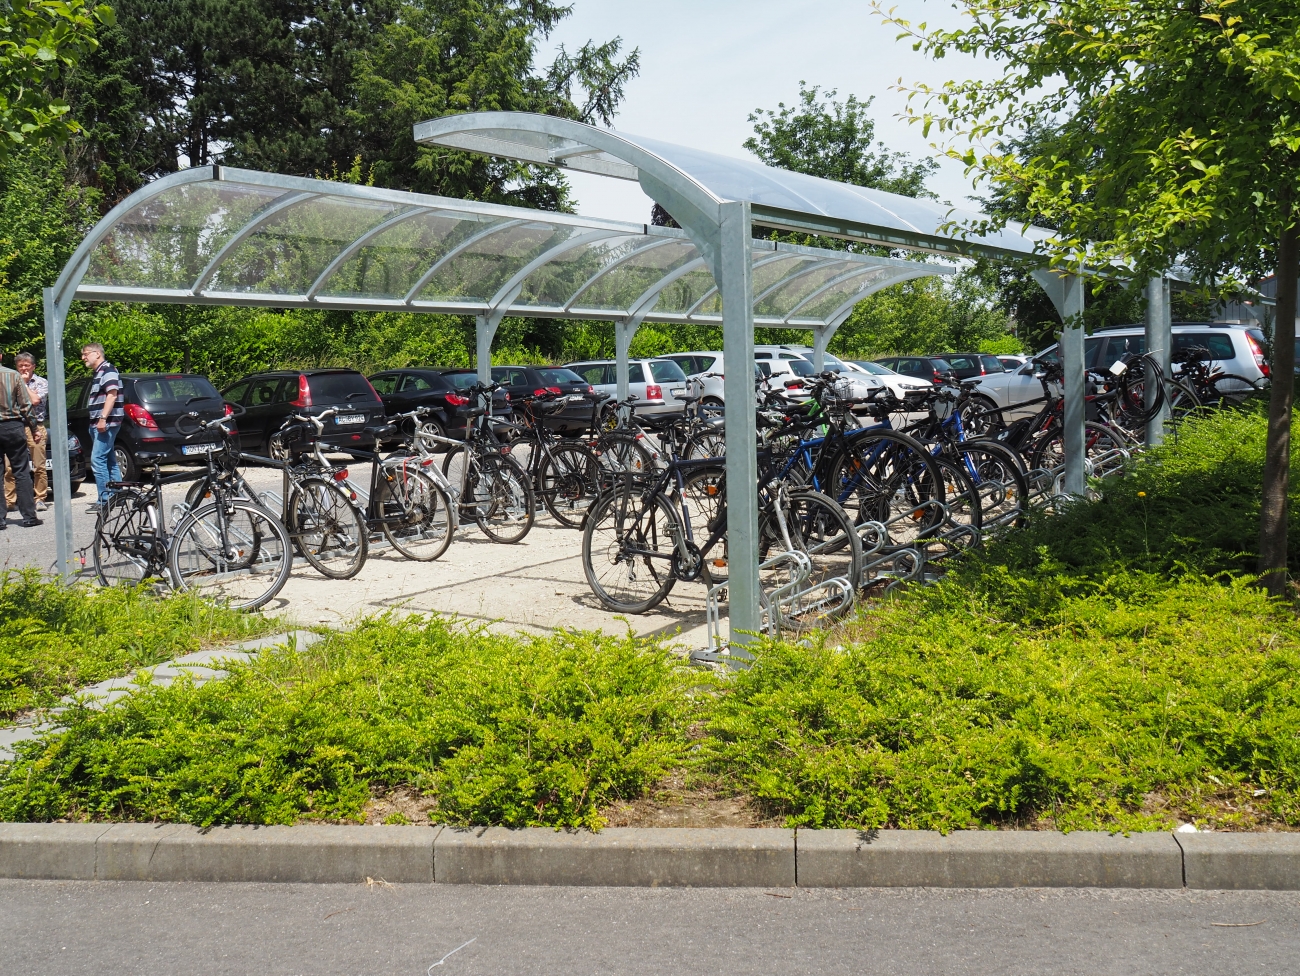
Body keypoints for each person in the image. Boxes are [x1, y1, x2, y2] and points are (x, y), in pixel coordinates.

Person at [4, 352, 49, 512]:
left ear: (33, 367)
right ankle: (10, 500)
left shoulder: (41, 382)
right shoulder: (10, 381)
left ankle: (40, 498)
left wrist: (22, 385)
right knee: (10, 467)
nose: (23, 368)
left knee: (39, 466)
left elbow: (35, 400)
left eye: (26, 365)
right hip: (16, 427)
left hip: (36, 427)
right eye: (20, 366)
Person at [0, 359, 42, 528]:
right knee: (21, 471)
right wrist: (34, 427)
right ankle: (29, 517)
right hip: (13, 426)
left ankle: (0, 519)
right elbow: (25, 405)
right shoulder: (13, 374)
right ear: (1, 356)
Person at [81, 342, 123, 511]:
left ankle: (104, 501)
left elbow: (112, 396)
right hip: (100, 422)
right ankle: (117, 496)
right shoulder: (100, 372)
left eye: (85, 353)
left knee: (97, 460)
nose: (83, 357)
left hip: (107, 422)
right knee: (110, 460)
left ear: (97, 354)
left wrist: (102, 419)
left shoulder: (108, 371)